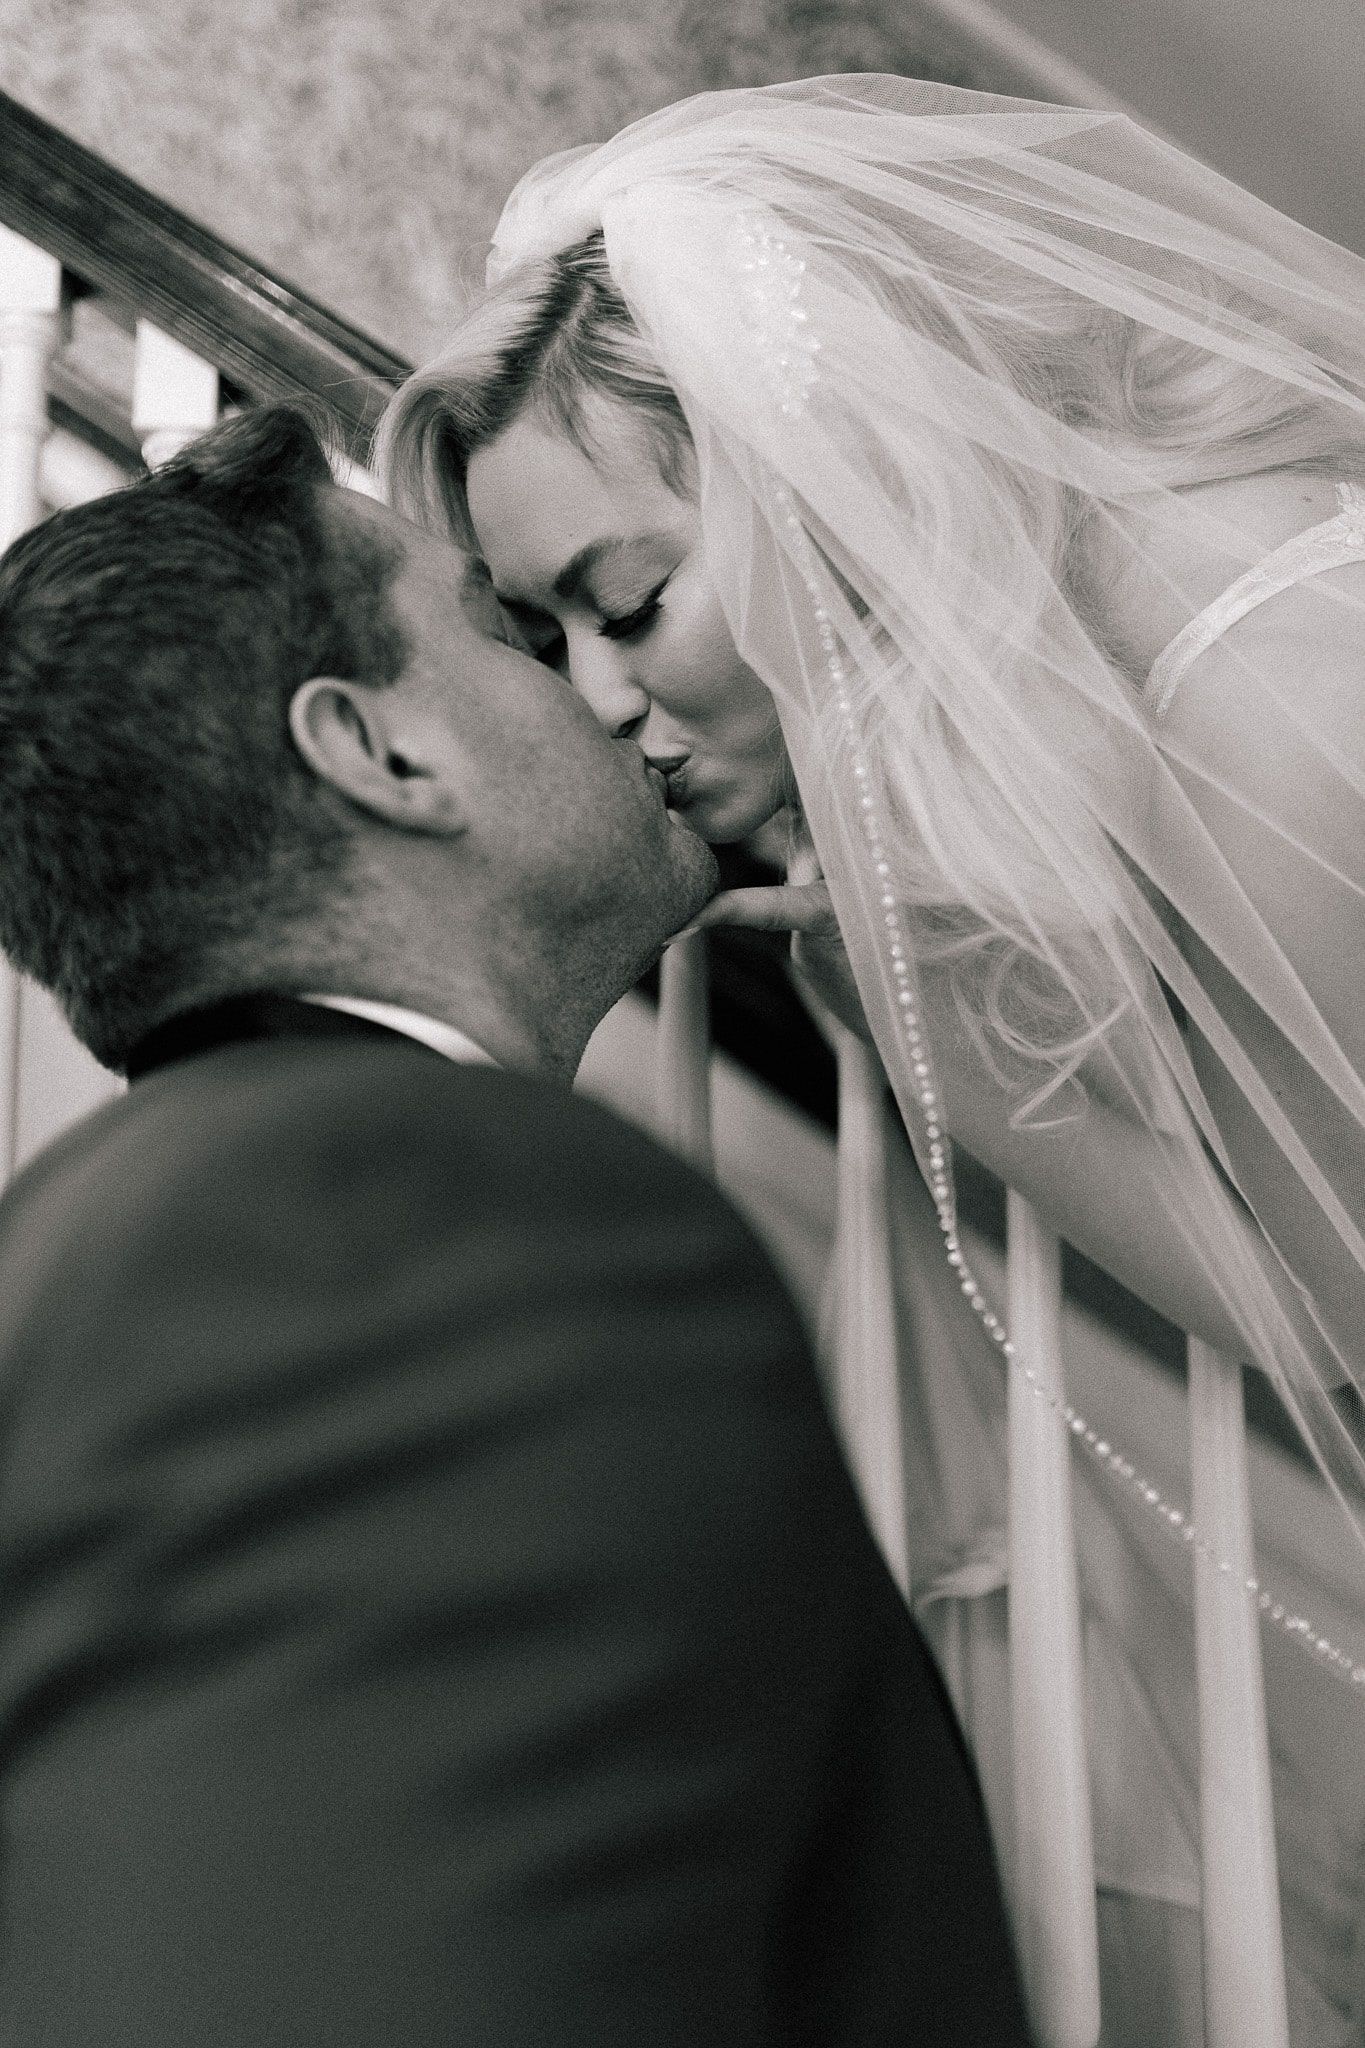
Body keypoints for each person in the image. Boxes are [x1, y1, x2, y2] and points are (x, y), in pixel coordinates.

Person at [376, 75, 1365, 2044]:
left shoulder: (1254, 682)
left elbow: (1335, 1311)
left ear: (819, 459)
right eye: (548, 638)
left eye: (626, 601)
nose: (602, 704)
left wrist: (926, 1036)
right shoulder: (1145, 655)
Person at [0, 404, 1032, 2046]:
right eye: (508, 629)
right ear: (383, 753)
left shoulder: (184, 1242)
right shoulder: (402, 1220)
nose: (602, 690)